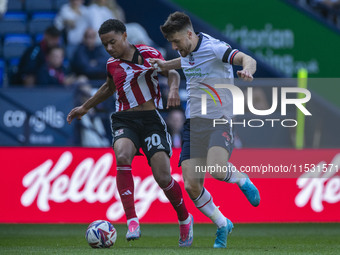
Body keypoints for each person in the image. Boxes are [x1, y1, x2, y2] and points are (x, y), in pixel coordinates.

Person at [66, 19, 194, 247]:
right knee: (122, 155)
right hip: (124, 119)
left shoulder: (147, 53)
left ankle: (184, 218)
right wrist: (85, 107)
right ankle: (132, 219)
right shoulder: (111, 64)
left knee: (163, 177)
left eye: (112, 42)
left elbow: (171, 72)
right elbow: (108, 87)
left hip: (151, 120)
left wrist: (173, 88)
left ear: (125, 36)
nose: (109, 48)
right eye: (105, 44)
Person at [150, 12, 260, 248]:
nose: (174, 46)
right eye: (171, 42)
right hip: (194, 123)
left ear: (189, 34)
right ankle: (223, 224)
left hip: (221, 118)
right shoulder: (187, 51)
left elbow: (246, 58)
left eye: (176, 41)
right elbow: (186, 61)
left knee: (217, 169)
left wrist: (248, 70)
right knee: (191, 185)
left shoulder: (215, 48)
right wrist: (165, 64)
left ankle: (242, 180)